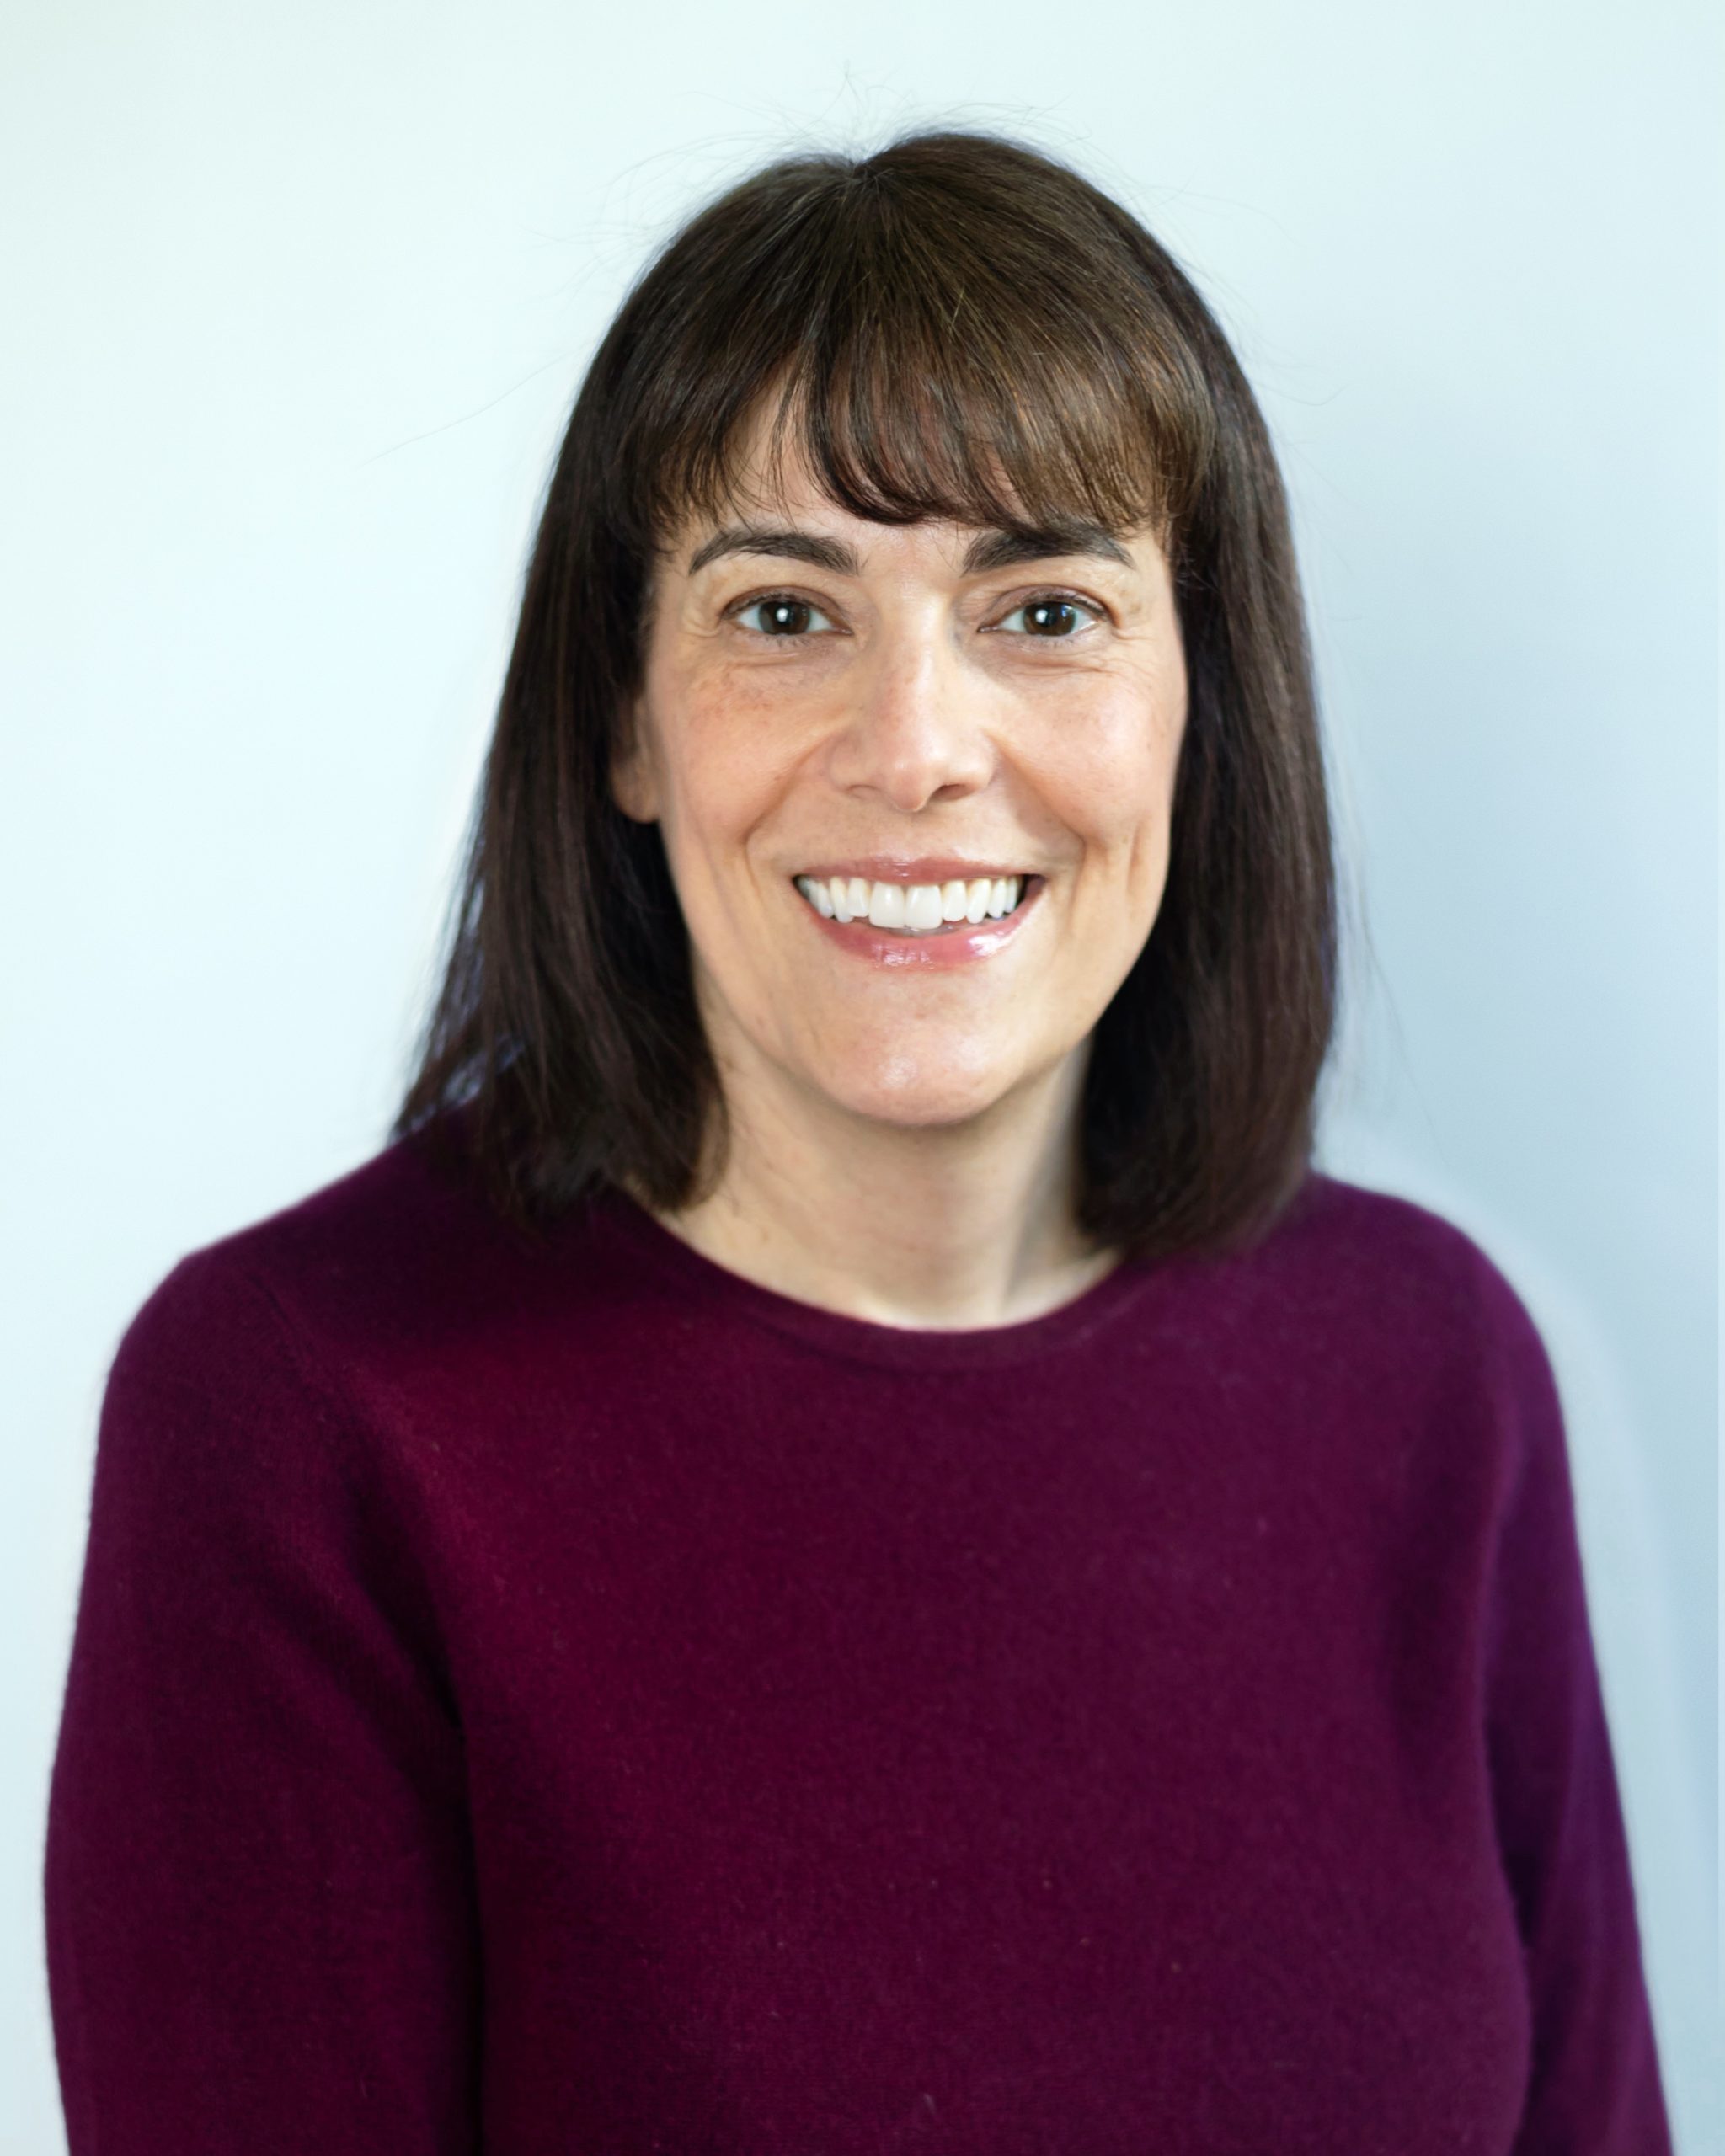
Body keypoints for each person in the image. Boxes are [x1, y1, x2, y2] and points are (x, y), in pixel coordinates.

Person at [44, 130, 1672, 2150]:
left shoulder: (1434, 1368)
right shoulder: (303, 1416)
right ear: (623, 721)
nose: (916, 743)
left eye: (1046, 608)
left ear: (1199, 706)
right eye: (786, 610)